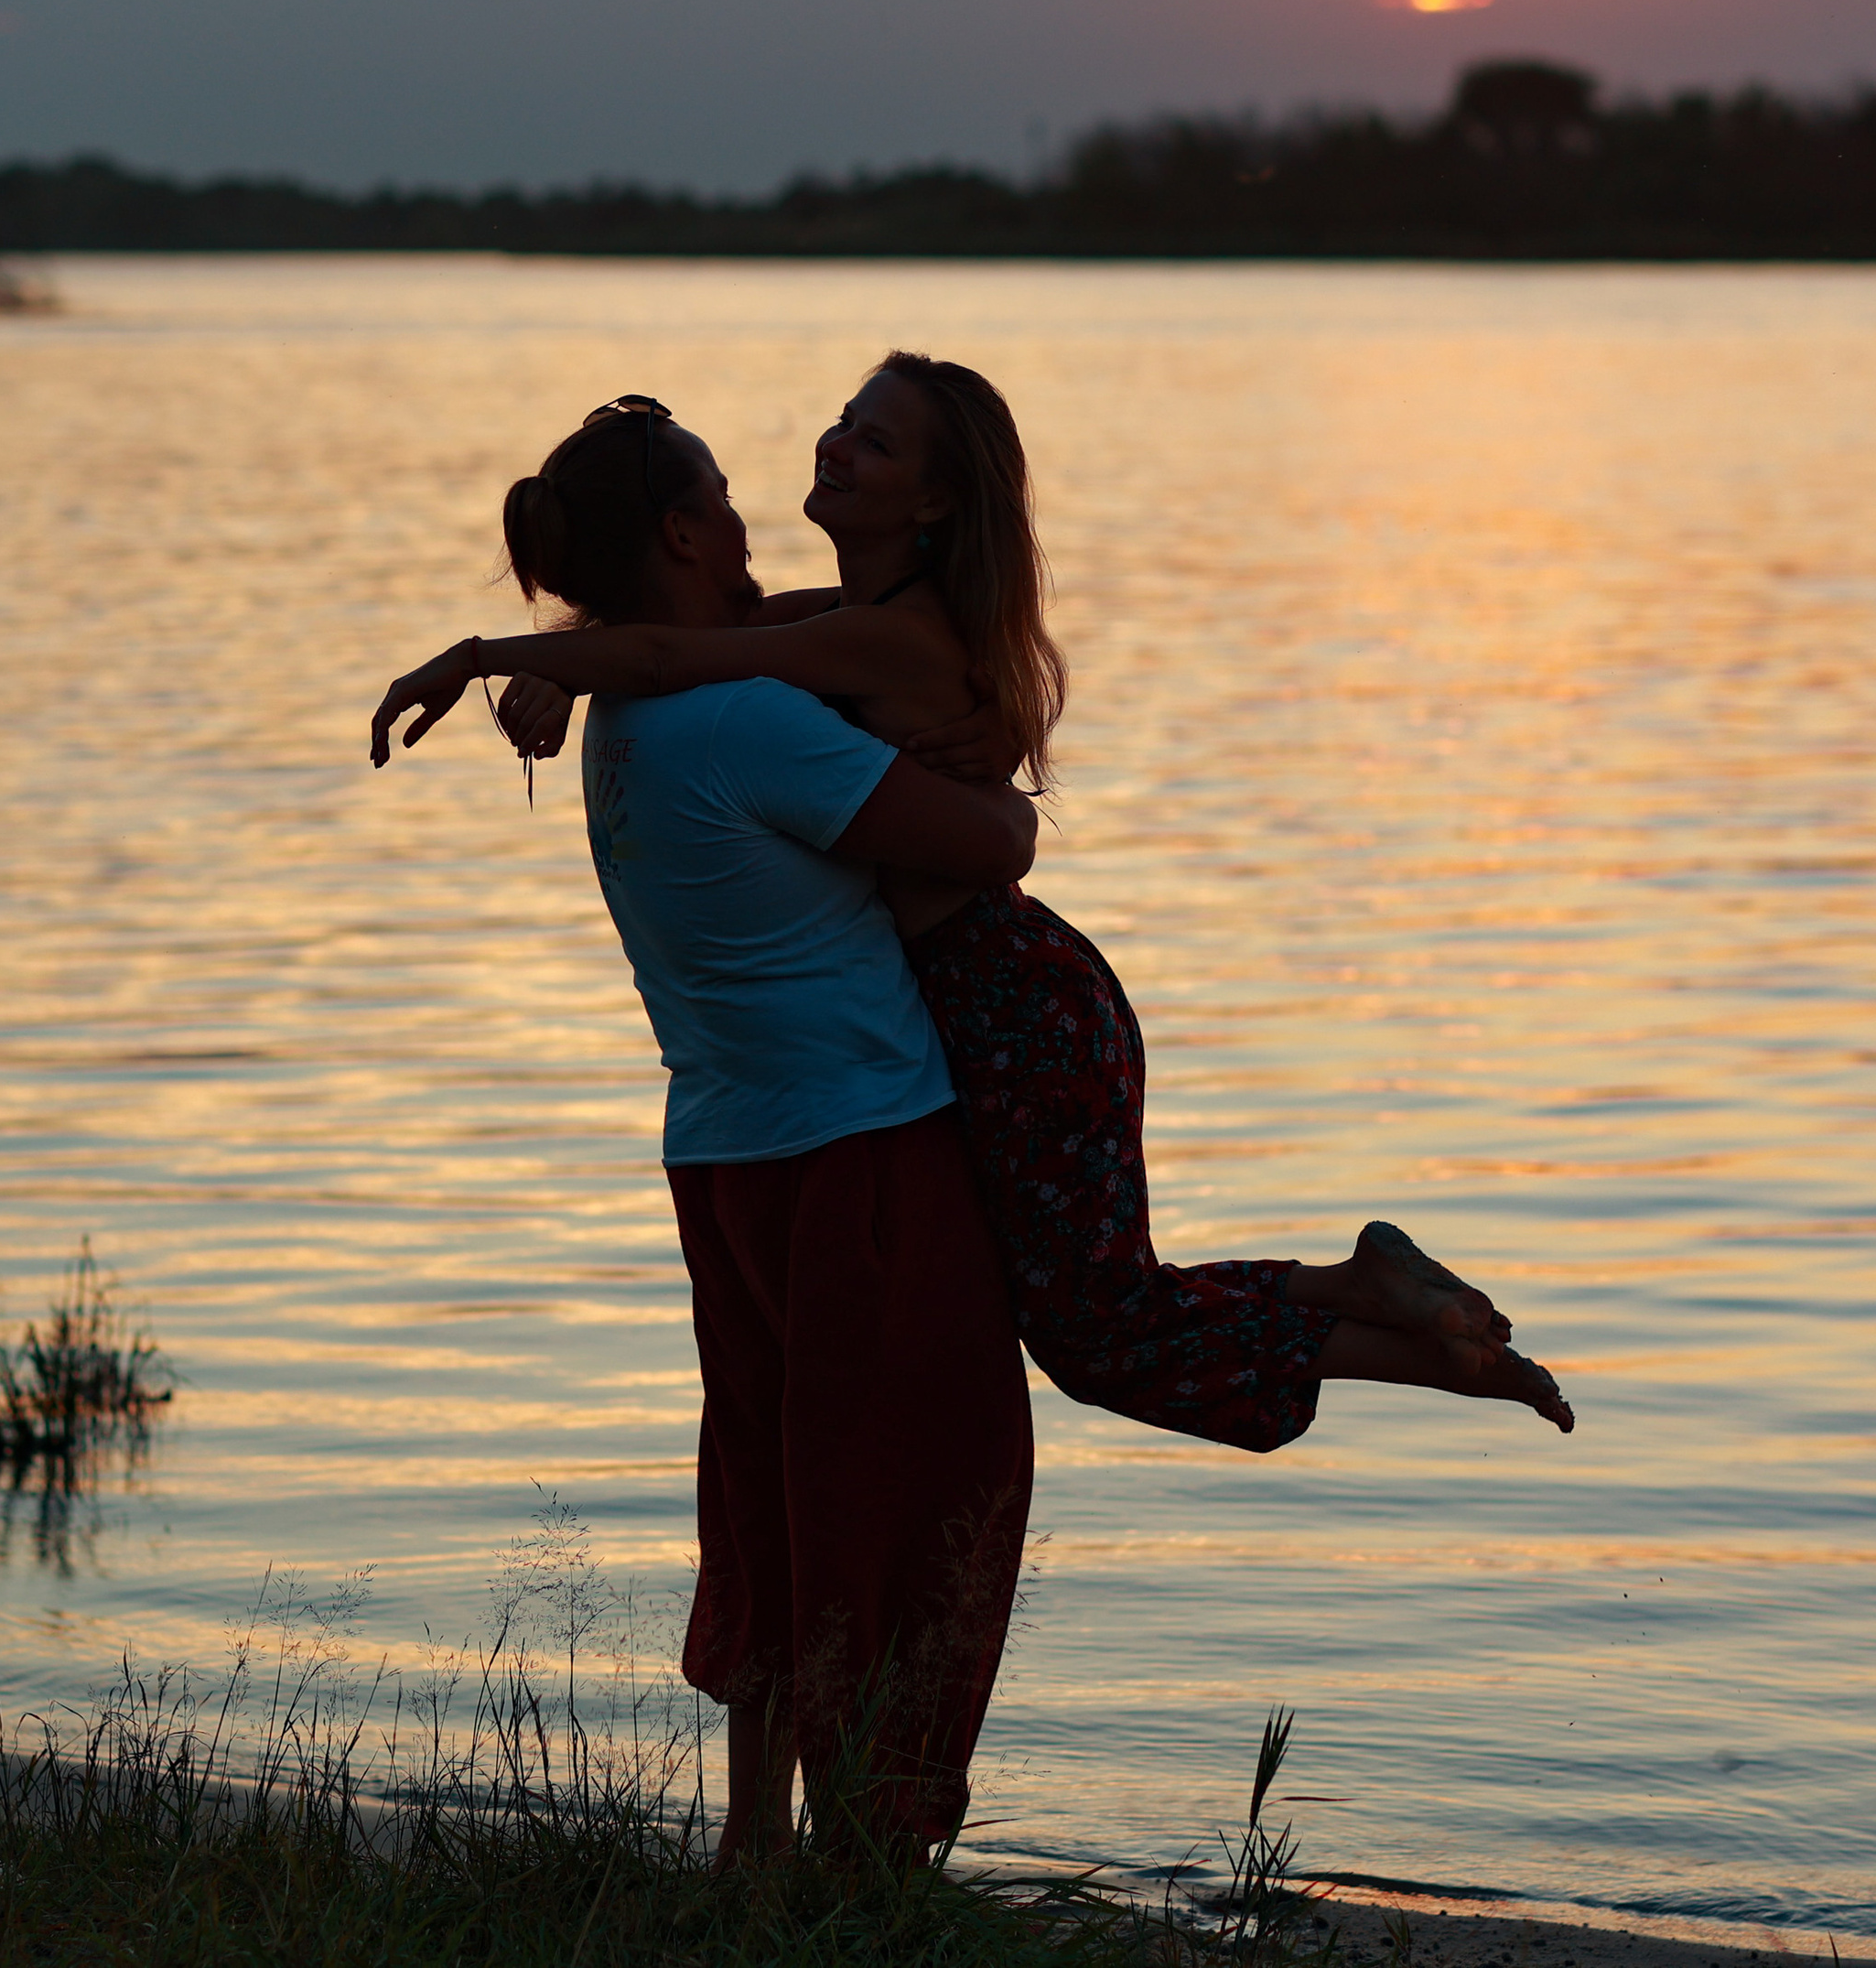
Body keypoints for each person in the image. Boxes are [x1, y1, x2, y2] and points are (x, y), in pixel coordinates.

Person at [371, 356, 1576, 1447]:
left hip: (1015, 1005)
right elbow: (687, 635)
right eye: (844, 420)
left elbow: (679, 659)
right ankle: (1352, 1289)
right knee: (1098, 1307)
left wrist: (493, 656)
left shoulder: (879, 642)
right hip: (992, 999)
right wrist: (562, 664)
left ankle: (1413, 1352)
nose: (837, 444)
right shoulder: (843, 623)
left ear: (933, 505)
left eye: (876, 444)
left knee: (1094, 1333)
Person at [372, 396, 1042, 1865]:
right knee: (915, 1483)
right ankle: (873, 1848)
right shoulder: (752, 721)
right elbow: (994, 848)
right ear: (681, 533)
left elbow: (737, 639)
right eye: (726, 503)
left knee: (772, 1493)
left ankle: (757, 1847)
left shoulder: (633, 719)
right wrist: (986, 764)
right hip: (862, 1154)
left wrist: (527, 659)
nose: (750, 526)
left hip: (727, 1156)